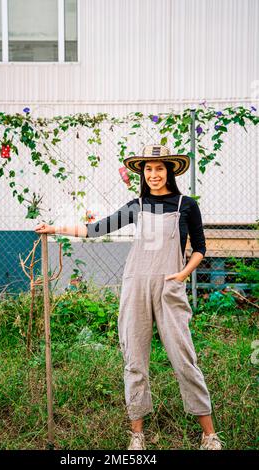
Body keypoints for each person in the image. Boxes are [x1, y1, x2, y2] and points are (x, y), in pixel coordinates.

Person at [34, 144, 224, 451]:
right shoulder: (136, 205)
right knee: (134, 360)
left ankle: (209, 435)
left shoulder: (186, 205)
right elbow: (96, 229)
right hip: (135, 288)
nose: (154, 175)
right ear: (142, 173)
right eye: (148, 169)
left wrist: (183, 275)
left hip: (169, 288)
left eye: (160, 168)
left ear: (171, 171)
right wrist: (55, 227)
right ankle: (137, 435)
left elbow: (200, 248)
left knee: (184, 359)